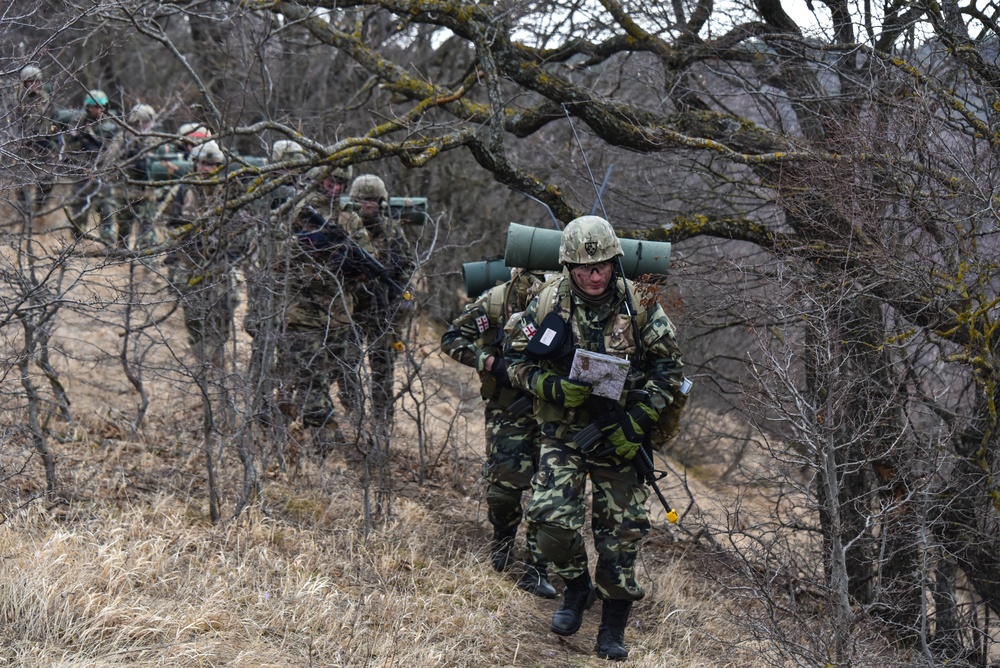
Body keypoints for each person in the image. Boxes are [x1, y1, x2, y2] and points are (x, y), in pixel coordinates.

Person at [504, 215, 685, 661]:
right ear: (568, 267)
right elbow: (512, 359)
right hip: (564, 433)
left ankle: (612, 626)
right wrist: (551, 388)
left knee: (621, 533)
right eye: (584, 268)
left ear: (614, 261)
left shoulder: (640, 306)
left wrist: (639, 419)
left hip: (620, 434)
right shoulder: (547, 301)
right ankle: (577, 589)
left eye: (602, 265)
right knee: (548, 522)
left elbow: (671, 370)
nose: (594, 274)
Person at [440, 268, 556, 599]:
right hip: (508, 408)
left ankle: (538, 566)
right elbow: (451, 338)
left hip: (553, 409)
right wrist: (489, 362)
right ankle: (503, 538)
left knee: (550, 489)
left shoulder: (565, 299)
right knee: (504, 487)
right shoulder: (495, 301)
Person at [267, 148, 372, 456]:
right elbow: (274, 258)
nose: (334, 187)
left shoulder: (350, 220)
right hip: (302, 313)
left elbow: (369, 265)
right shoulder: (297, 210)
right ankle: (326, 443)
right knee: (313, 381)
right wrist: (307, 247)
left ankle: (297, 430)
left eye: (341, 182)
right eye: (331, 180)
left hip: (338, 316)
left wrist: (346, 261)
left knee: (322, 380)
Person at [342, 174, 416, 434]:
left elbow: (407, 266)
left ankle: (383, 425)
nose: (368, 205)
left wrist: (403, 298)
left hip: (383, 309)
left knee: (383, 368)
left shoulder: (393, 230)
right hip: (351, 308)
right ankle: (353, 417)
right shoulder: (346, 226)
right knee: (347, 363)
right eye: (363, 200)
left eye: (373, 200)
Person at [154, 140, 235, 373]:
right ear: (195, 164)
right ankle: (203, 367)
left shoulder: (229, 190)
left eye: (213, 165)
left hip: (221, 265)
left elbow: (245, 225)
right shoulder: (183, 189)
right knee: (194, 319)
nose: (207, 169)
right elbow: (161, 219)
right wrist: (179, 244)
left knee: (222, 316)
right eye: (203, 164)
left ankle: (217, 364)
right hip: (189, 265)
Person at [62, 88, 124, 244]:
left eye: (101, 106)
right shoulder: (78, 122)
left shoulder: (112, 124)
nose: (98, 110)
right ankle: (76, 242)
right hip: (83, 171)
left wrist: (106, 160)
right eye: (95, 106)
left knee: (107, 206)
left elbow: (118, 145)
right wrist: (77, 140)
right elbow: (69, 149)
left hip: (104, 172)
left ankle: (108, 240)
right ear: (88, 107)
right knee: (78, 205)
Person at [13, 65, 59, 214]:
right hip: (23, 146)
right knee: (21, 180)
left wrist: (53, 135)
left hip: (43, 144)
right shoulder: (17, 99)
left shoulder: (46, 97)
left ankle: (40, 209)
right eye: (30, 82)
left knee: (48, 178)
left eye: (37, 81)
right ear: (24, 83)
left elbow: (53, 118)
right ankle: (25, 213)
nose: (34, 85)